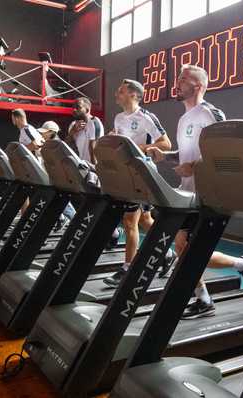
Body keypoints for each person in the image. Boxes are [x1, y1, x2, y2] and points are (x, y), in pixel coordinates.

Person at [147, 65, 243, 319]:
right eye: (178, 77)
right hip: (188, 193)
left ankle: (240, 267)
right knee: (182, 248)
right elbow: (185, 156)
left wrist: (196, 166)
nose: (177, 82)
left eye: (183, 78)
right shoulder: (183, 119)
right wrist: (164, 155)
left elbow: (229, 151)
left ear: (198, 86)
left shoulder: (210, 113)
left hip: (211, 194)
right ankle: (208, 294)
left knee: (192, 252)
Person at [103, 79, 174, 287]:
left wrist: (139, 147)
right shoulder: (118, 118)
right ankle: (168, 253)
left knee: (129, 220)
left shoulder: (146, 117)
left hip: (142, 174)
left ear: (134, 95)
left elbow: (166, 143)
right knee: (145, 220)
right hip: (126, 173)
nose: (117, 93)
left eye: (121, 91)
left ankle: (127, 268)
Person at [38, 120, 76, 230]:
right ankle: (62, 219)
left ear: (51, 132)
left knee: (62, 202)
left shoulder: (56, 145)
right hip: (55, 177)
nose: (42, 134)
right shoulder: (49, 144)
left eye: (44, 132)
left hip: (60, 178)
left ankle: (74, 220)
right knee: (56, 200)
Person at [66, 97, 104, 163]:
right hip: (79, 166)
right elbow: (67, 146)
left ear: (87, 110)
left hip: (91, 167)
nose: (74, 110)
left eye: (78, 107)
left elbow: (94, 148)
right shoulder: (73, 125)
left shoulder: (94, 122)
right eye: (73, 107)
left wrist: (95, 169)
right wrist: (72, 132)